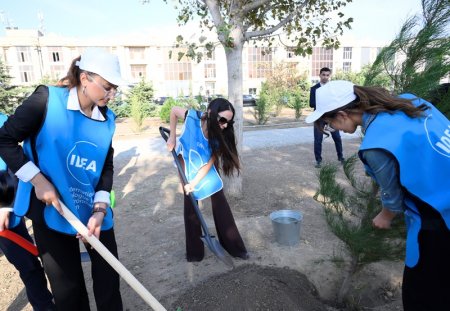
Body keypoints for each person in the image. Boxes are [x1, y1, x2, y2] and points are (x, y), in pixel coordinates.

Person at [305, 80, 450, 311]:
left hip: (439, 219)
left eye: (329, 123)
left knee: (422, 293)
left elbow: (393, 200)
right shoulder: (411, 101)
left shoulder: (376, 145)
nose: (334, 129)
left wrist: (384, 217)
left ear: (342, 114)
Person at [0, 48, 124, 311]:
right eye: (107, 87)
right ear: (85, 78)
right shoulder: (46, 100)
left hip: (93, 212)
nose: (111, 95)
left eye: (115, 89)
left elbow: (105, 166)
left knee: (108, 282)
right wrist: (37, 180)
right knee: (68, 292)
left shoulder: (107, 120)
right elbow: (5, 139)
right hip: (52, 212)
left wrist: (100, 209)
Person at [166, 98, 249, 262]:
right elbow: (174, 110)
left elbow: (207, 165)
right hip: (187, 163)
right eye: (223, 120)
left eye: (228, 122)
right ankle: (195, 253)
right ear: (211, 113)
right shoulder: (192, 117)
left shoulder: (218, 138)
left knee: (220, 201)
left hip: (205, 168)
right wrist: (172, 137)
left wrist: (194, 183)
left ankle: (234, 247)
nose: (225, 125)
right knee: (190, 203)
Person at [0, 113, 56, 311]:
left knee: (28, 265)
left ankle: (45, 307)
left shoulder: (1, 121)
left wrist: (3, 207)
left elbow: (9, 167)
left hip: (4, 219)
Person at [309, 67, 344, 168]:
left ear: (329, 76)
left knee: (337, 137)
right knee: (318, 140)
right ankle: (318, 160)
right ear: (320, 75)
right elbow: (311, 104)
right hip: (319, 118)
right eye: (323, 75)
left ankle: (340, 157)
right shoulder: (314, 88)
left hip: (332, 118)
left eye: (327, 75)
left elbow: (337, 102)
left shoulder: (333, 88)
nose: (325, 77)